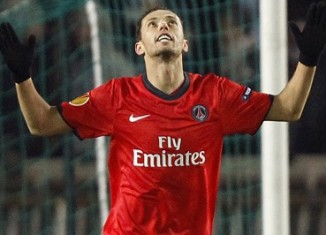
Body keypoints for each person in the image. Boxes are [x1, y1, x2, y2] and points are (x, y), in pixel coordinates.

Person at [0, 2, 326, 234]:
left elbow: (288, 108)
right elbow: (41, 122)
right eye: (153, 24)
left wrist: (309, 59)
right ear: (139, 47)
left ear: (185, 44)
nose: (163, 26)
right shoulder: (116, 96)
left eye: (170, 22)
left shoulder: (214, 94)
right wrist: (21, 77)